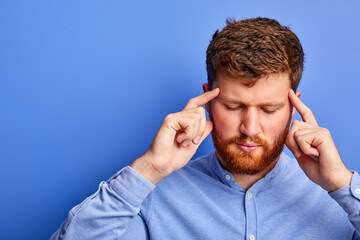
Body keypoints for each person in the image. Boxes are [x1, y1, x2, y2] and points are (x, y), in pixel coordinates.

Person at [51, 17, 360, 240]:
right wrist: (149, 168)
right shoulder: (155, 197)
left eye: (269, 109)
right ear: (207, 101)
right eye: (234, 106)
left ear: (293, 107)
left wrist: (343, 185)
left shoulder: (338, 201)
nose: (250, 128)